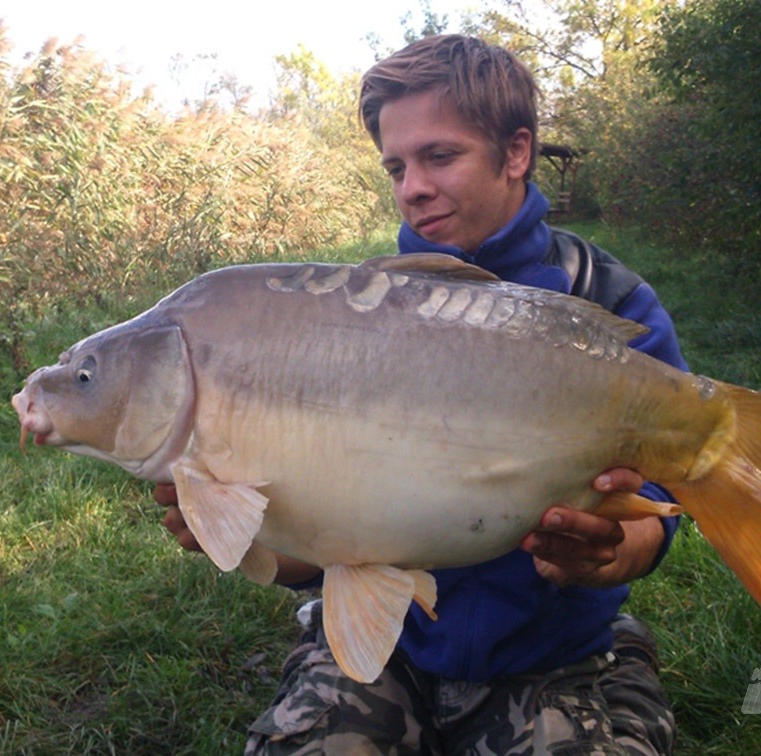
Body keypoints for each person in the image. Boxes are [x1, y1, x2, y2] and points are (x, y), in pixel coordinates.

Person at [159, 34, 686, 754]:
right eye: (397, 166)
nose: (413, 186)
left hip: (548, 652)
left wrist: (603, 552)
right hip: (391, 650)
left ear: (516, 152)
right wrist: (251, 530)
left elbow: (660, 510)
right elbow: (323, 552)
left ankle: (621, 664)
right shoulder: (346, 317)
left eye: (440, 157)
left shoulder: (606, 303)